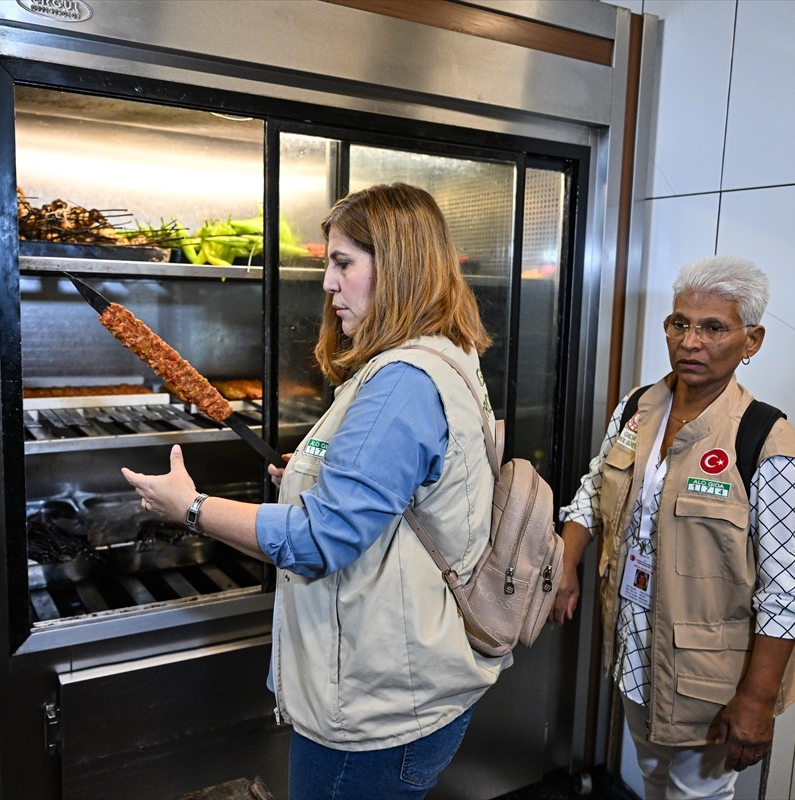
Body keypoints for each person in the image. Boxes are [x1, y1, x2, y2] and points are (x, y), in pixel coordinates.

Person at [122, 183, 507, 799]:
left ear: (399, 266)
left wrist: (190, 508)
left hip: (377, 710)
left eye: (342, 262)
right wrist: (308, 478)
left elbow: (317, 540)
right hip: (416, 685)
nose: (327, 284)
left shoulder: (402, 380)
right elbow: (398, 490)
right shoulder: (444, 354)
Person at [553, 255, 795, 800]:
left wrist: (757, 700)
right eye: (680, 323)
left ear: (752, 341)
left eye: (714, 327)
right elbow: (594, 488)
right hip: (635, 645)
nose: (691, 341)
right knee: (653, 780)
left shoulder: (768, 440)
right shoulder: (638, 407)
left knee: (697, 794)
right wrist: (566, 564)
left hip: (712, 674)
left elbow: (789, 589)